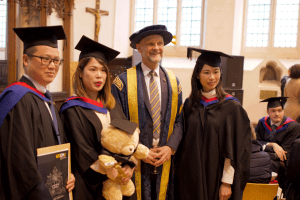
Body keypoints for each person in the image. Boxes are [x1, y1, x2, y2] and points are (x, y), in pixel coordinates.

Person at [0, 26, 75, 199]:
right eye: (45, 59)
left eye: (56, 61)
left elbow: (58, 147)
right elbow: (20, 162)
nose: (53, 66)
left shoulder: (46, 100)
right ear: (26, 60)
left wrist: (68, 175)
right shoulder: (17, 98)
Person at [59, 35, 136, 200]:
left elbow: (126, 139)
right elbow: (84, 154)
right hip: (90, 186)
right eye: (93, 69)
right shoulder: (72, 110)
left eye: (103, 70)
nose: (99, 75)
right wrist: (114, 171)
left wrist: (129, 165)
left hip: (119, 184)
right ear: (80, 73)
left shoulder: (112, 105)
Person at [111, 25, 183, 200]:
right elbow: (117, 120)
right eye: (150, 43)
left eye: (160, 43)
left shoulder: (174, 82)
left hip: (164, 159)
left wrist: (170, 147)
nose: (156, 47)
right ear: (139, 48)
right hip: (134, 161)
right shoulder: (122, 82)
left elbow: (180, 120)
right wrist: (140, 150)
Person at [175, 48, 252, 200]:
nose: (212, 77)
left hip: (216, 178)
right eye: (206, 72)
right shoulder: (190, 104)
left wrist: (226, 183)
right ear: (197, 75)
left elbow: (236, 149)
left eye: (216, 71)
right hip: (191, 177)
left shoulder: (231, 107)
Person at [255, 97, 300, 191]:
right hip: (268, 157)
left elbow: (284, 152)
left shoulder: (293, 126)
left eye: (280, 110)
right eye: (273, 111)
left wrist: (264, 147)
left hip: (284, 162)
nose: (277, 114)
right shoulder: (262, 123)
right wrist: (273, 145)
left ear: (283, 111)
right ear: (268, 112)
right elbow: (256, 143)